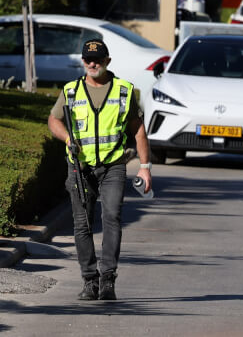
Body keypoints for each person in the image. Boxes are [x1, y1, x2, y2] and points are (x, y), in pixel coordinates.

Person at [47, 39, 153, 301]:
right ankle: (89, 280)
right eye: (87, 59)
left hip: (113, 166)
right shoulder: (71, 91)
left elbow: (138, 131)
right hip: (80, 169)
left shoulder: (124, 91)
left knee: (112, 217)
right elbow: (53, 120)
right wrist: (67, 139)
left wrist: (145, 168)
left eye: (97, 59)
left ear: (107, 61)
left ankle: (108, 280)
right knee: (82, 225)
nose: (92, 63)